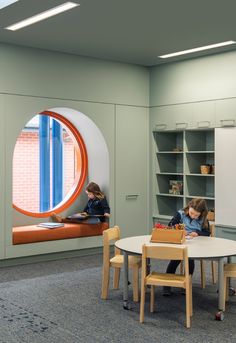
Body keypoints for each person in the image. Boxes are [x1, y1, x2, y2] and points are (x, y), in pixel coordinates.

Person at [163, 198, 210, 296]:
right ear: (189, 207)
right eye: (192, 213)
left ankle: (186, 284)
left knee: (190, 260)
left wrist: (197, 233)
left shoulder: (203, 219)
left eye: (196, 215)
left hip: (195, 245)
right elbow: (171, 225)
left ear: (201, 213)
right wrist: (179, 230)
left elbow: (207, 233)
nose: (193, 216)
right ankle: (166, 286)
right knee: (175, 260)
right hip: (180, 242)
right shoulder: (181, 214)